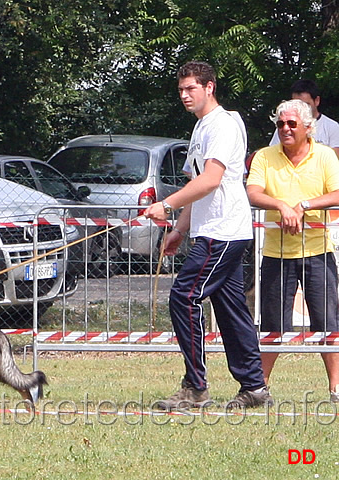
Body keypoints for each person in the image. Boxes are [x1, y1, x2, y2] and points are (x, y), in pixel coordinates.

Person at [144, 60, 271, 410]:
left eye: (191, 89)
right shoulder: (201, 128)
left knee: (184, 296)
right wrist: (179, 230)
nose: (185, 95)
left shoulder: (224, 125)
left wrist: (166, 205)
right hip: (211, 231)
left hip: (224, 231)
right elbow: (196, 185)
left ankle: (195, 386)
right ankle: (255, 388)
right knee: (231, 311)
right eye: (181, 90)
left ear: (209, 87)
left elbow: (212, 179)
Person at [246, 99, 339, 403]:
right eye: (280, 124)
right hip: (276, 254)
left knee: (328, 324)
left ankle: (336, 389)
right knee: (272, 325)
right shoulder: (264, 156)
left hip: (318, 251)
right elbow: (253, 191)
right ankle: (258, 389)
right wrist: (282, 206)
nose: (285, 129)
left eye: (291, 124)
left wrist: (305, 206)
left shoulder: (325, 155)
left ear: (307, 128)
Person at [268, 79, 339, 157]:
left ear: (317, 101)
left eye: (306, 104)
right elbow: (273, 154)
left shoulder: (332, 127)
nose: (301, 108)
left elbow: (334, 158)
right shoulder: (284, 128)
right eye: (296, 104)